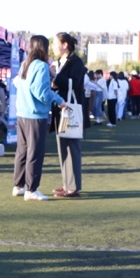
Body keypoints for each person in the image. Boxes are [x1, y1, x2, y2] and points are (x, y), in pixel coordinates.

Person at [12, 35, 66, 201]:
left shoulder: (25, 64)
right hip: (35, 115)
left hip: (22, 113)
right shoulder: (42, 66)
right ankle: (31, 189)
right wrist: (58, 100)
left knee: (22, 151)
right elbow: (42, 94)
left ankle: (19, 186)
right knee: (35, 152)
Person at [50, 32, 89, 198]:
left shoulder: (76, 62)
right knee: (62, 147)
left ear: (65, 44)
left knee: (72, 147)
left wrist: (55, 76)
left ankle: (73, 187)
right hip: (62, 110)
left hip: (71, 110)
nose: (52, 47)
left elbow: (74, 84)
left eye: (55, 43)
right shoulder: (61, 62)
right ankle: (67, 183)